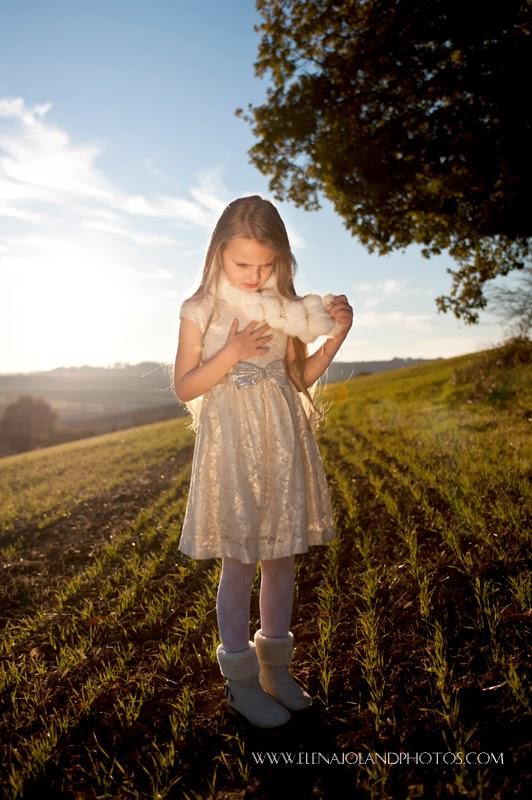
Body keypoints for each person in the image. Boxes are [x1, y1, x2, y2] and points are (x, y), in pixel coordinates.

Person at [173, 195, 353, 728]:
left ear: (283, 259)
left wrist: (337, 336)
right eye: (241, 264)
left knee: (281, 559)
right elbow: (185, 386)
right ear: (217, 255)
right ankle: (242, 685)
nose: (254, 276)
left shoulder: (286, 311)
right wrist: (229, 354)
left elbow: (298, 378)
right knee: (240, 560)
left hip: (282, 442)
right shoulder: (200, 309)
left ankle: (276, 671)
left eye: (265, 265)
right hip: (232, 450)